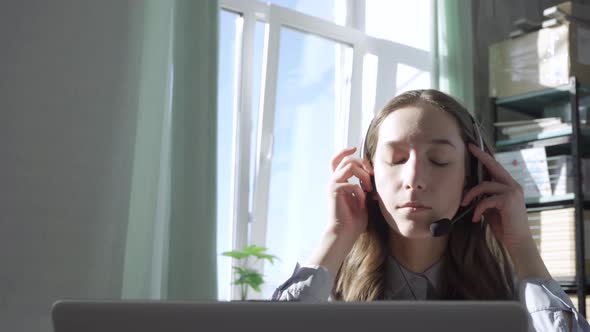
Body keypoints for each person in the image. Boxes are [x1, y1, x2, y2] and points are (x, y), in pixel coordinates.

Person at [271, 89, 590, 332]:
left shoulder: (516, 292)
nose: (413, 179)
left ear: (472, 177)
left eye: (438, 160)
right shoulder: (324, 290)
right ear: (369, 175)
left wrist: (522, 245)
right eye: (396, 160)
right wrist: (336, 236)